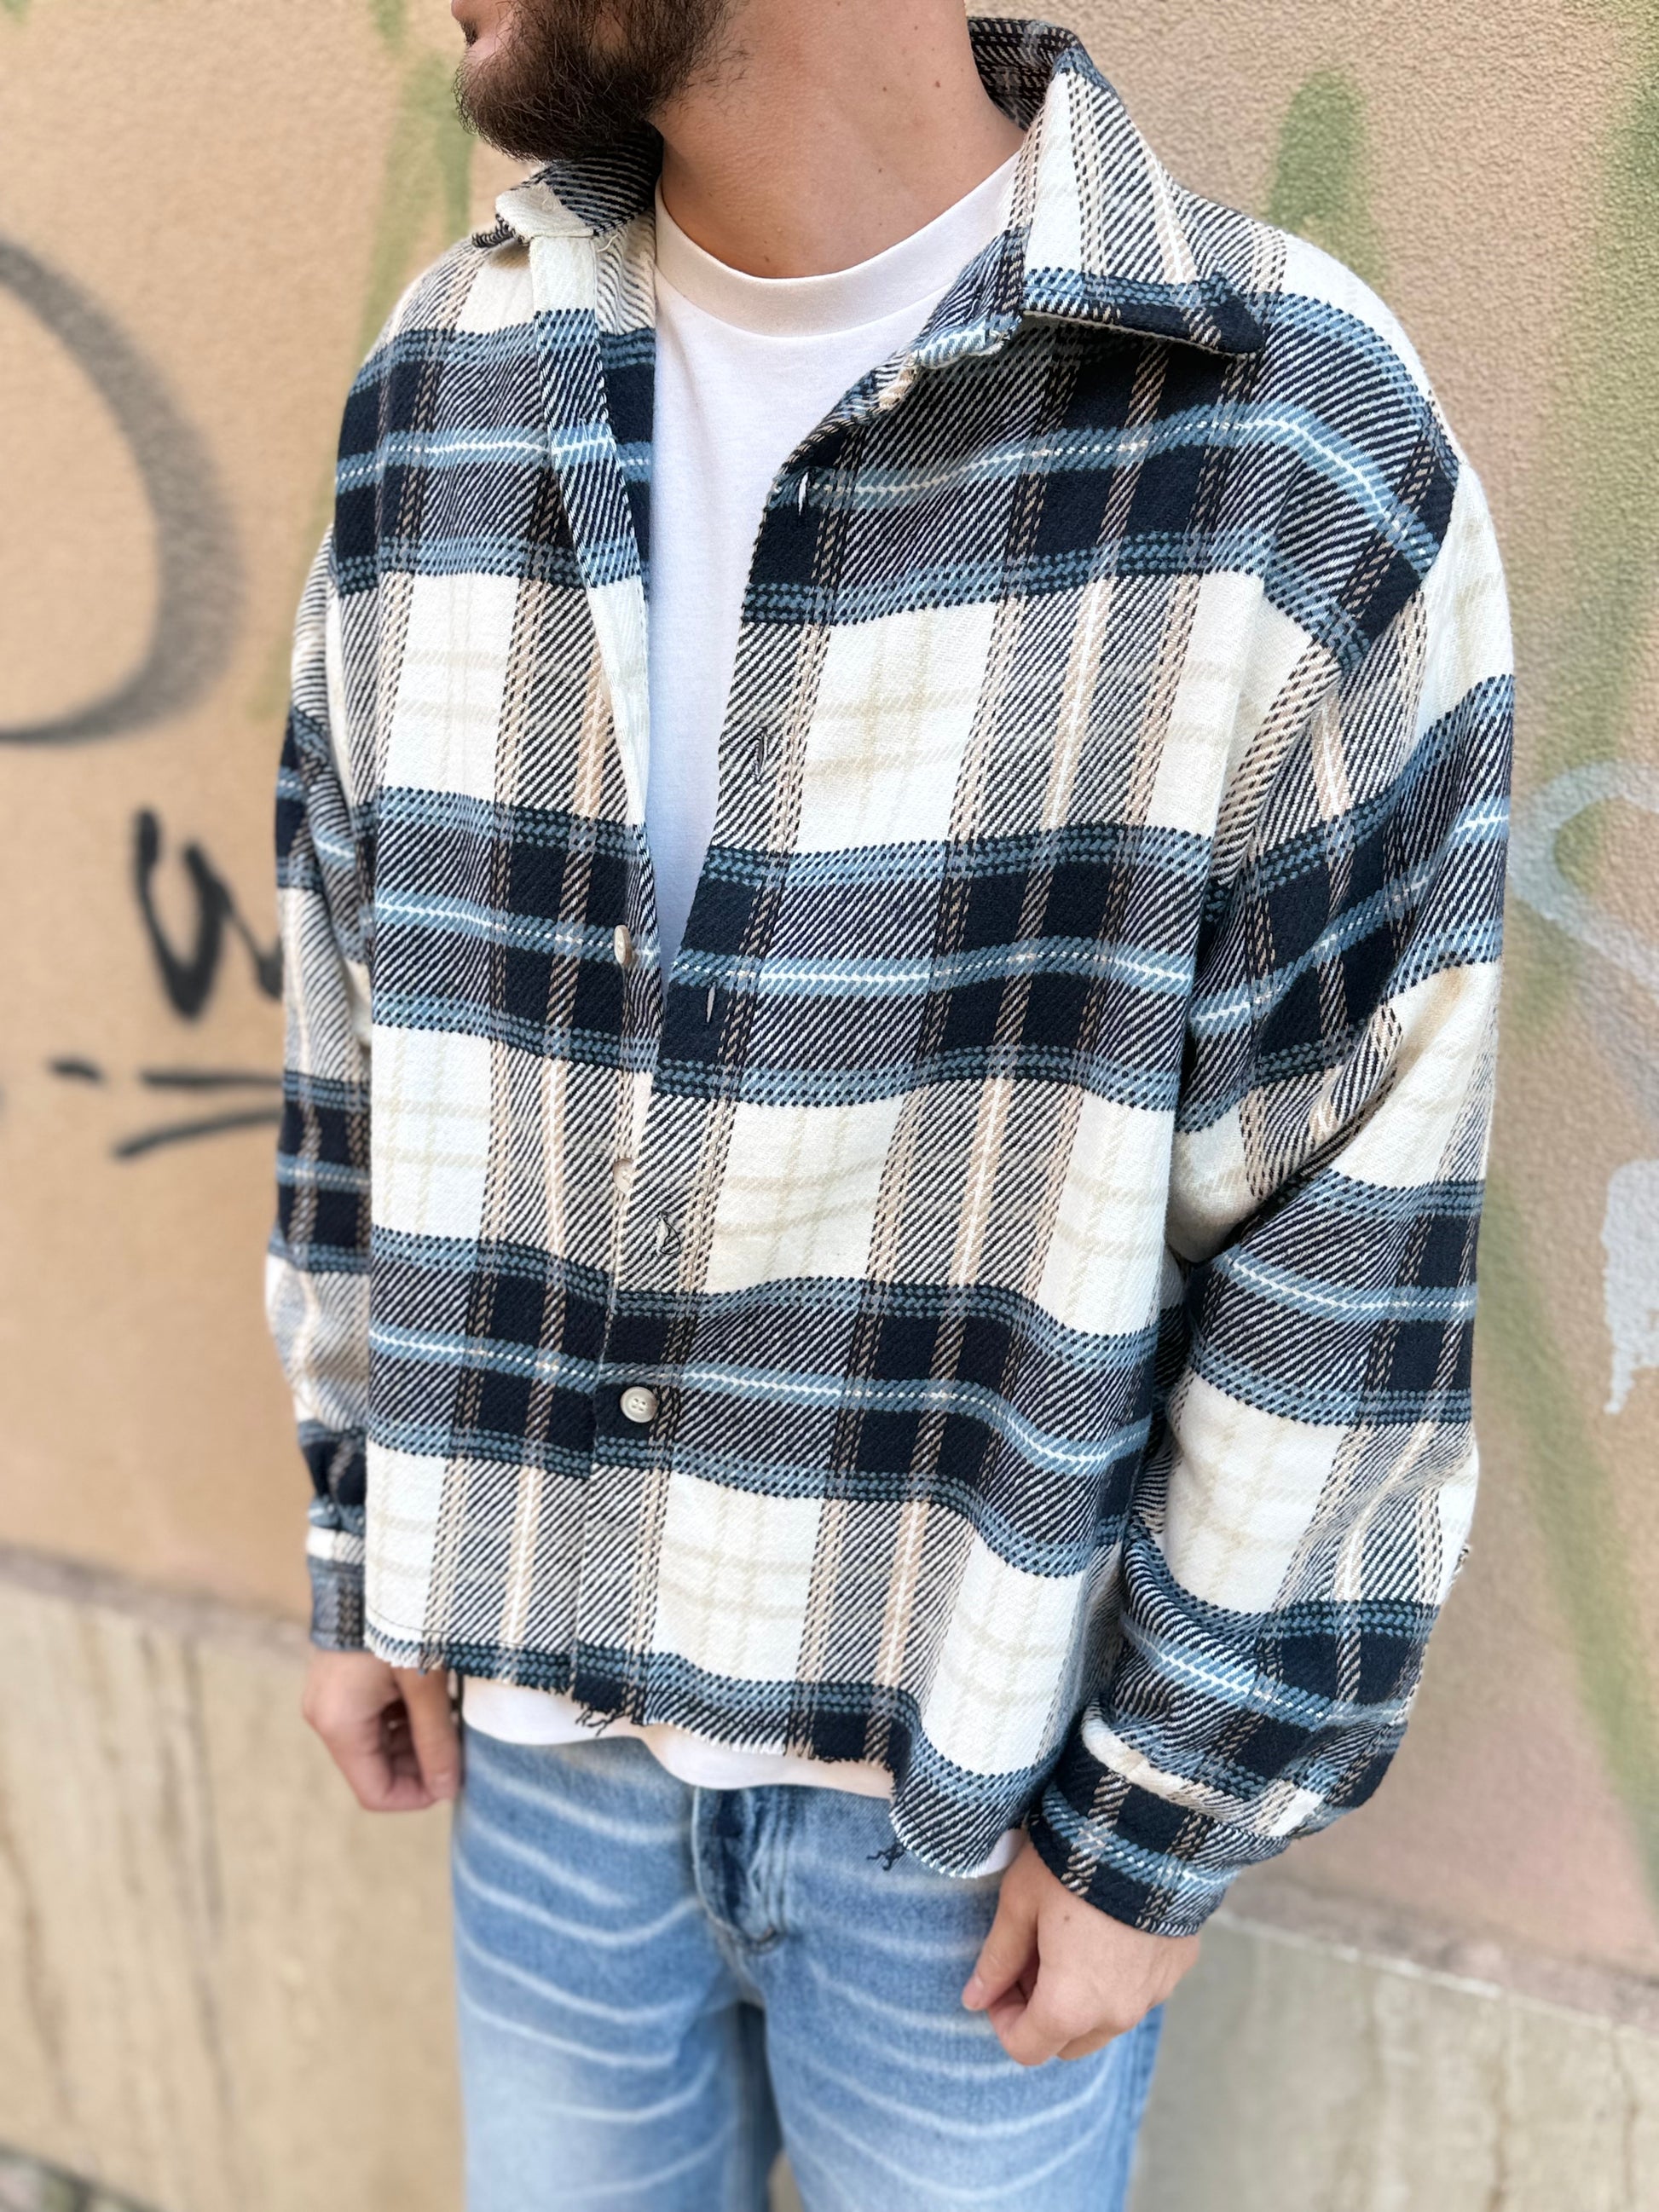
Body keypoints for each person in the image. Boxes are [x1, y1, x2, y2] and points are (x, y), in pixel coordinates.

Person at [268, 2, 1512, 2204]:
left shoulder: (1276, 432)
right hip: (535, 1748)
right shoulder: (450, 376)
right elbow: (352, 1010)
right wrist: (364, 1536)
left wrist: (1164, 1821)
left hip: (961, 1813)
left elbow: (1358, 1208)